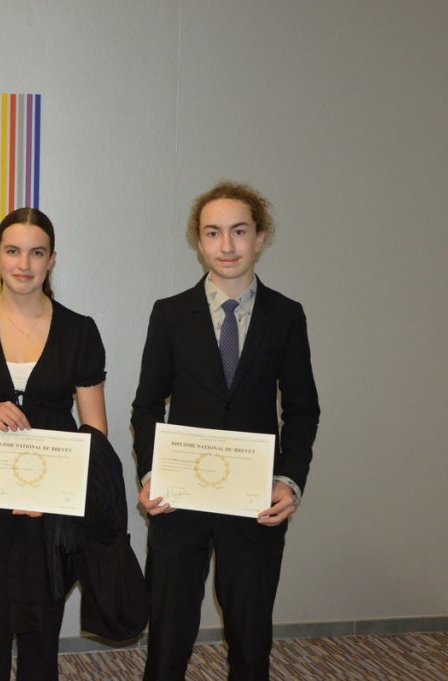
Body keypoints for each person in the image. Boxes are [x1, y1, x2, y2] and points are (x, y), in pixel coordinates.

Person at [131, 181, 320, 681]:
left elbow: (302, 410)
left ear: (260, 238)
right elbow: (147, 405)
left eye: (239, 231)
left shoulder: (286, 316)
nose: (227, 245)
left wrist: (290, 481)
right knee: (168, 637)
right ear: (199, 241)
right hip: (179, 501)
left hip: (255, 503)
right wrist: (150, 474)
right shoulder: (169, 315)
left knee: (250, 638)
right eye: (213, 233)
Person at [0, 207, 109, 681]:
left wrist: (55, 493)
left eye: (36, 253)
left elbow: (95, 428)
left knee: (42, 629)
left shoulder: (80, 331)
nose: (24, 263)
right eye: (13, 251)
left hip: (52, 501)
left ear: (52, 260)